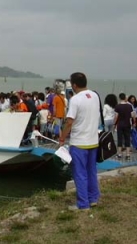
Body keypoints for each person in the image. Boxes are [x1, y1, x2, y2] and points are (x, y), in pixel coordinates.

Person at [59, 72, 100, 211]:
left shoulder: (75, 99)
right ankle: (93, 198)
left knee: (79, 173)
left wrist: (62, 138)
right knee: (91, 171)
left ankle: (83, 204)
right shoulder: (95, 95)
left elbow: (69, 122)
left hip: (79, 142)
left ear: (74, 85)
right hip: (93, 141)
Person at [114, 93, 135, 160]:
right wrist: (134, 123)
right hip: (127, 124)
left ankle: (119, 154)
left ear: (119, 98)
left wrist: (114, 124)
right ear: (125, 98)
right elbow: (133, 115)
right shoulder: (129, 106)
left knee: (119, 139)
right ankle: (127, 154)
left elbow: (116, 117)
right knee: (127, 139)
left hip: (120, 124)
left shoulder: (117, 106)